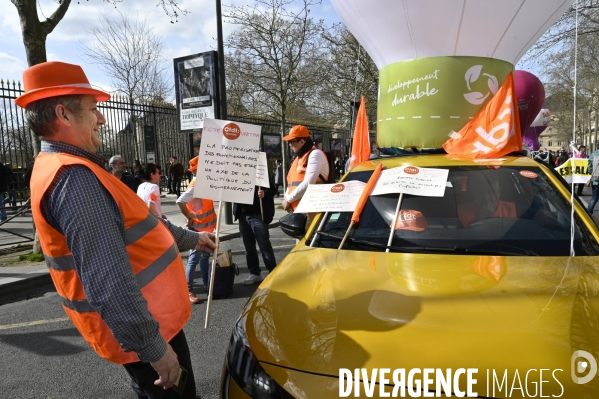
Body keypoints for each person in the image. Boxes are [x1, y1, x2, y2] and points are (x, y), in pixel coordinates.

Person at [17, 61, 217, 399]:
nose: (102, 118)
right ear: (64, 115)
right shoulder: (74, 178)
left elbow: (146, 224)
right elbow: (108, 282)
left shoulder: (66, 168)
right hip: (148, 330)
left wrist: (194, 239)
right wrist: (154, 349)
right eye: (93, 109)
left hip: (148, 323)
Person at [176, 156, 216, 304]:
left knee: (204, 257)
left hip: (206, 227)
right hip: (198, 228)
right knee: (194, 259)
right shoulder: (197, 184)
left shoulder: (204, 183)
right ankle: (188, 290)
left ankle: (206, 284)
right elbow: (180, 201)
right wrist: (190, 218)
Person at [233, 176, 277, 285]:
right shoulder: (236, 171)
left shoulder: (260, 169)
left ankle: (273, 273)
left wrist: (265, 193)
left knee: (264, 246)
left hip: (257, 214)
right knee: (248, 247)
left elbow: (273, 189)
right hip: (243, 214)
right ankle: (254, 272)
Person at [281, 125, 329, 213]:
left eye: (292, 141)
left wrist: (288, 200)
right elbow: (290, 183)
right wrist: (286, 199)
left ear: (302, 142)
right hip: (298, 211)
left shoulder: (315, 155)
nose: (290, 144)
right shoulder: (298, 158)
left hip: (312, 211)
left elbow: (308, 183)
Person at [587, 148, 599, 214]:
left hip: (595, 180)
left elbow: (589, 168)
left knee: (594, 198)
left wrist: (593, 173)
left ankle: (589, 212)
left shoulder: (593, 155)